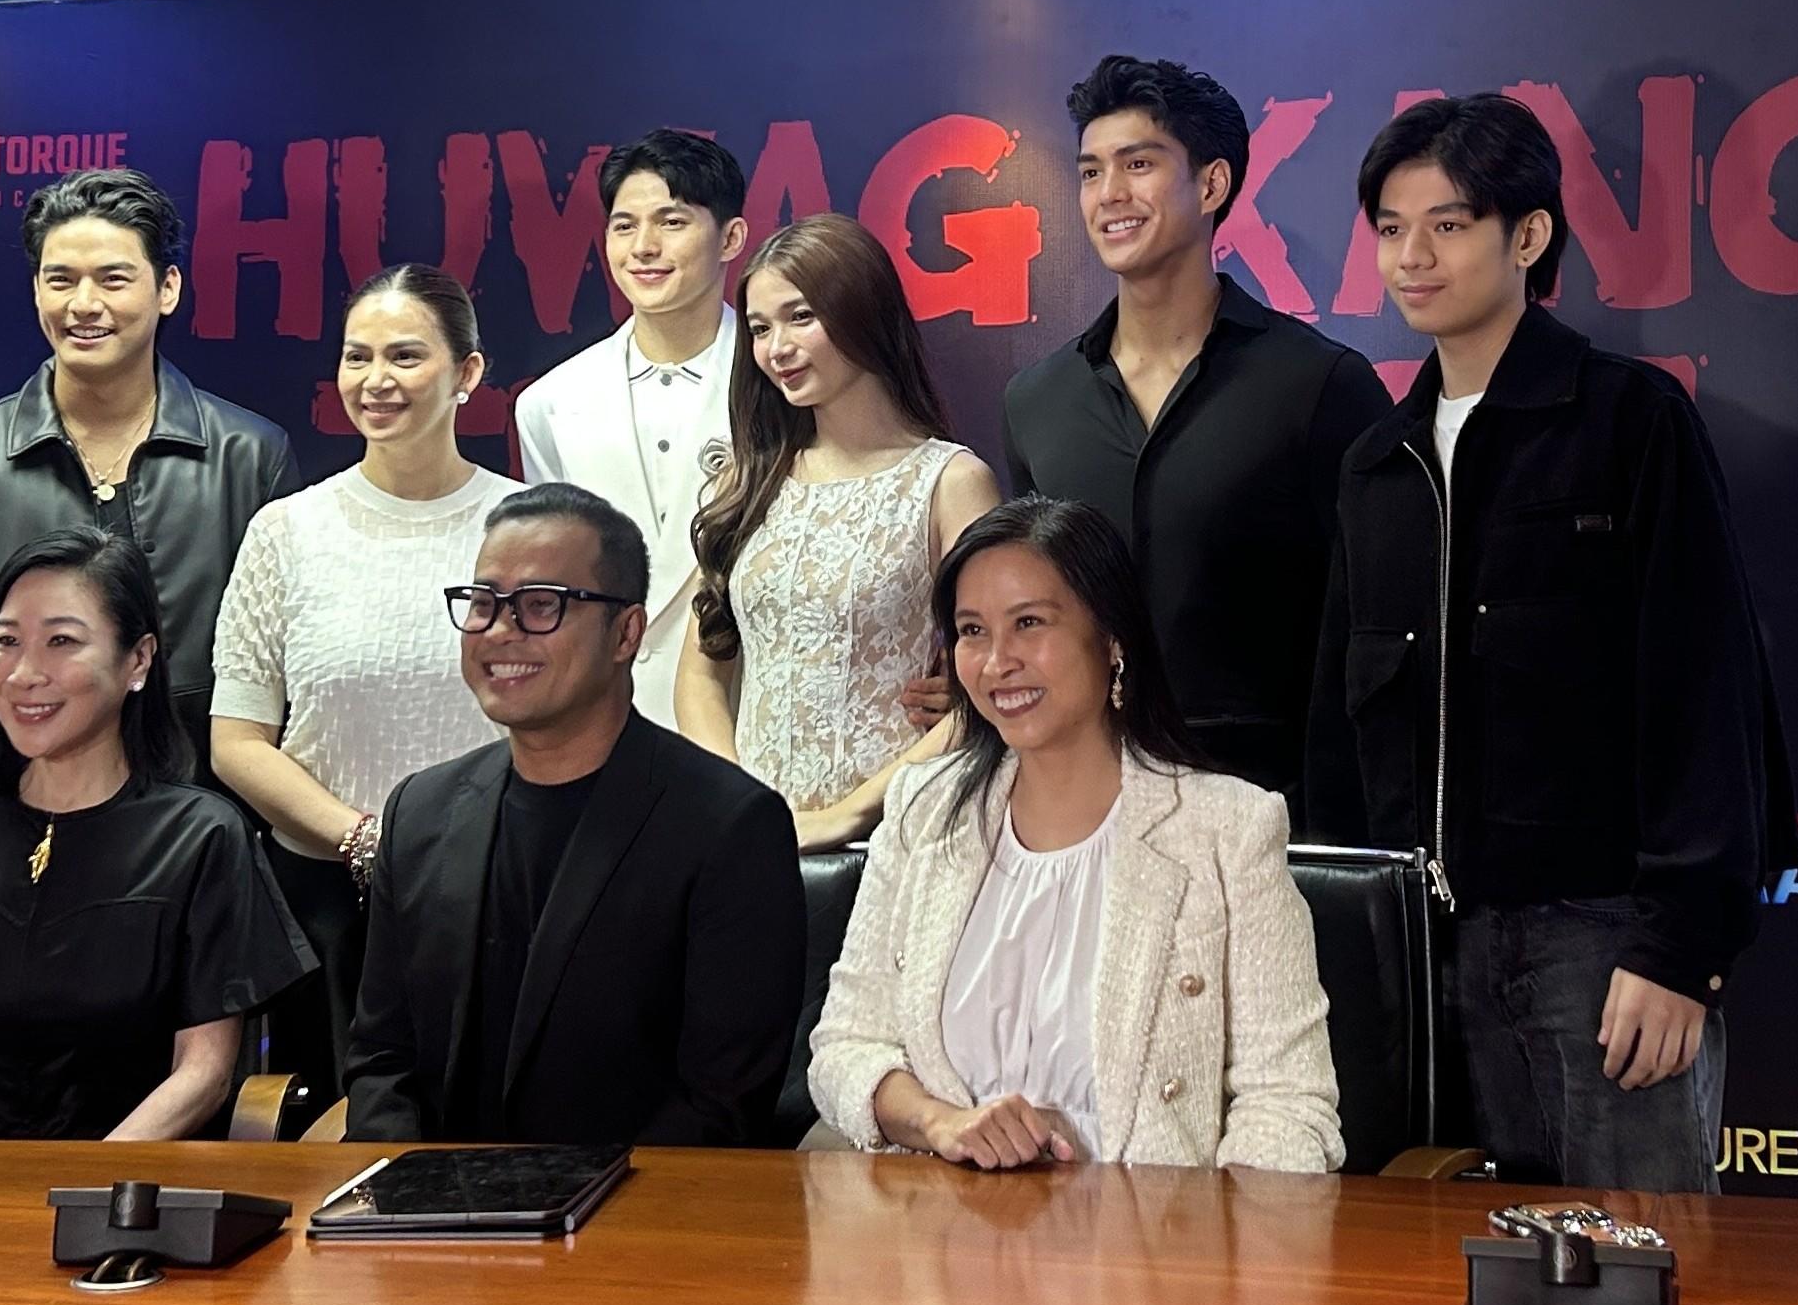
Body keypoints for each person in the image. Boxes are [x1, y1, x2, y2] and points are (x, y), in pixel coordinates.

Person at [1305, 94, 1792, 1193]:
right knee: (1430, 1266)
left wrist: (1679, 950)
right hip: (1414, 954)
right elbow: (1340, 727)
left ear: (1526, 235)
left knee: (1637, 1255)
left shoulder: (1627, 421)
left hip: (1600, 943)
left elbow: (1702, 690)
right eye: (1390, 229)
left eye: (1446, 225)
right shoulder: (1375, 463)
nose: (1411, 258)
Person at [808, 497, 1343, 1172]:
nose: (996, 661)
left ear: (1112, 639)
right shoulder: (924, 810)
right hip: (941, 1225)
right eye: (972, 631)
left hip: (1153, 1229)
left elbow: (1288, 1107)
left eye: (1028, 623)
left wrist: (1210, 1233)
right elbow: (845, 1045)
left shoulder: (1229, 829)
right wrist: (941, 1123)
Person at [341, 484, 804, 1146]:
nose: (500, 630)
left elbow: (721, 1102)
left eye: (540, 604)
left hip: (632, 1200)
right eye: (483, 603)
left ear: (626, 633)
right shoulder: (420, 812)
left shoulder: (729, 826)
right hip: (431, 1198)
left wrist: (554, 1200)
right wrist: (406, 1184)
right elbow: (382, 1056)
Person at [0, 527, 312, 1140]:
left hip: (131, 1181)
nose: (25, 673)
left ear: (138, 660)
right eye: (7, 641)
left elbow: (203, 1072)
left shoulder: (202, 836)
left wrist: (83, 1184)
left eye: (62, 641)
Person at [1003, 55, 1391, 813]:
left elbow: (1370, 630)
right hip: (1084, 807)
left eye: (1137, 164)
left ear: (1211, 185)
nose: (1109, 194)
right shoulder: (1036, 401)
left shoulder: (1320, 385)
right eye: (1090, 172)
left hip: (1271, 810)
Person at [207, 264, 523, 1106]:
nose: (376, 380)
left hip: (499, 888)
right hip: (323, 903)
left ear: (467, 372)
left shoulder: (527, 528)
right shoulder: (286, 530)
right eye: (357, 356)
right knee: (334, 1140)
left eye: (405, 356)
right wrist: (364, 841)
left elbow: (564, 718)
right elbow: (236, 740)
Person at [0, 167, 297, 790]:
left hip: (201, 816)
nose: (84, 304)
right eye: (61, 280)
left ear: (168, 288)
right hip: (8, 817)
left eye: (113, 279)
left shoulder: (250, 457)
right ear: (36, 291)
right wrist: (13, 787)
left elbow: (284, 670)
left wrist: (204, 806)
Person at [678, 214, 999, 850]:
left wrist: (849, 815)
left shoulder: (951, 482)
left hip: (900, 838)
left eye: (800, 317)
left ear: (862, 311)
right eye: (760, 329)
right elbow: (700, 675)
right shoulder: (745, 484)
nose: (777, 349)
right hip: (754, 844)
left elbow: (994, 682)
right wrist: (741, 805)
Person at [510, 128, 748, 728]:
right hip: (610, 721)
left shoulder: (782, 385)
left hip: (750, 714)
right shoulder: (550, 404)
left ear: (731, 238)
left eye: (672, 222)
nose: (644, 247)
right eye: (624, 226)